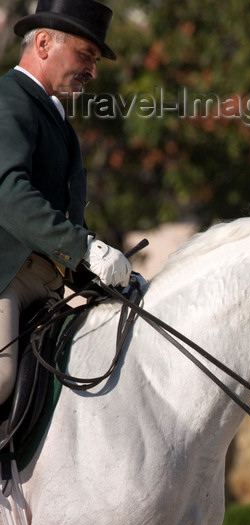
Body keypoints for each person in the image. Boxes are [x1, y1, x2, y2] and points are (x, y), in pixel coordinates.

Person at [0, 0, 131, 407]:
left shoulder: (59, 125)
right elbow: (8, 191)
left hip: (47, 289)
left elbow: (63, 218)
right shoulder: (8, 99)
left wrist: (108, 277)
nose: (92, 70)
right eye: (86, 55)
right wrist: (84, 248)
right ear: (42, 43)